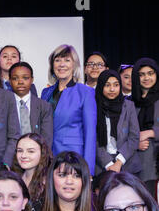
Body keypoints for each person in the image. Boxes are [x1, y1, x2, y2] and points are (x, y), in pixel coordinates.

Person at [41, 44, 97, 175]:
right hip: (48, 157)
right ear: (52, 65)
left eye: (67, 60)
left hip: (73, 156)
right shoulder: (46, 92)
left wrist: (88, 170)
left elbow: (90, 133)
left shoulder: (85, 92)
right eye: (58, 60)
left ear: (74, 65)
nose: (62, 64)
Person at [95, 69, 141, 177]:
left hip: (128, 163)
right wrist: (109, 164)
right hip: (102, 165)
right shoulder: (94, 106)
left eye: (116, 85)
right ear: (101, 86)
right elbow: (94, 140)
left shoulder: (129, 106)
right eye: (107, 85)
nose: (112, 89)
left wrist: (119, 162)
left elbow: (134, 137)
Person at [130, 57, 159, 196]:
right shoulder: (128, 102)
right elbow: (122, 132)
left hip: (154, 162)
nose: (146, 78)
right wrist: (136, 142)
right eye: (141, 74)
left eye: (150, 73)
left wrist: (150, 132)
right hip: (133, 163)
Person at [9, 62, 53, 148]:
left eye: (25, 78)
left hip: (37, 157)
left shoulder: (44, 106)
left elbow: (46, 140)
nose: (20, 82)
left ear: (32, 79)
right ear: (10, 81)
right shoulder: (3, 105)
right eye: (15, 78)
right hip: (9, 158)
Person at [11, 133, 53, 211]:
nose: (23, 155)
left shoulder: (49, 183)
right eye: (20, 150)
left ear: (42, 153)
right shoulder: (12, 180)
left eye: (31, 151)